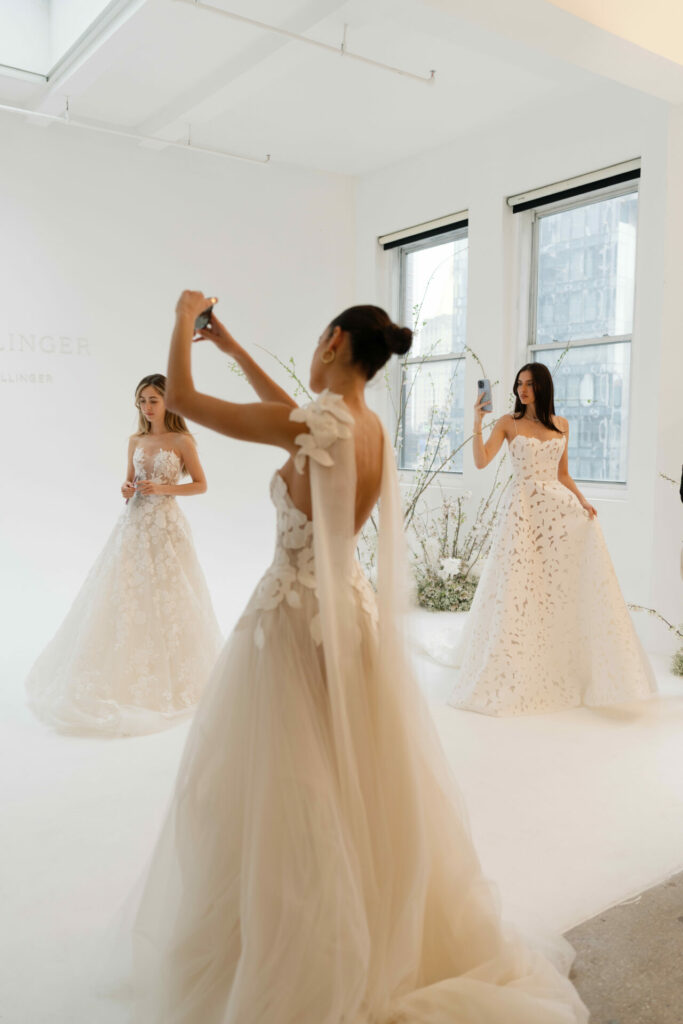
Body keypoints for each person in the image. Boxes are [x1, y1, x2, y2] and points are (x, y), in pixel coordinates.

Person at [125, 296, 588, 1023]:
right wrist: (234, 347)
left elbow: (181, 400)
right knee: (345, 777)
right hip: (347, 611)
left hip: (293, 620)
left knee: (291, 783)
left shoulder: (318, 425)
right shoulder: (361, 424)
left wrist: (182, 318)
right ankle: (355, 924)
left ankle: (302, 944)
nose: (312, 354)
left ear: (335, 342)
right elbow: (292, 415)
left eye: (317, 341)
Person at [432, 361, 656, 716]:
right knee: (520, 584)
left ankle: (559, 652)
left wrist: (582, 502)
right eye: (520, 384)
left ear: (543, 387)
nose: (522, 390)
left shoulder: (563, 425)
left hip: (557, 511)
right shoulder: (508, 422)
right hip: (522, 512)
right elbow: (481, 461)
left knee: (556, 586)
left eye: (530, 384)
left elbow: (563, 474)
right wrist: (477, 421)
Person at [25, 373, 222, 735]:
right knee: (126, 592)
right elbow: (128, 482)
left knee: (170, 593)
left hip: (166, 528)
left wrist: (163, 487)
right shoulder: (134, 440)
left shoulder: (182, 440)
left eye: (153, 400)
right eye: (142, 400)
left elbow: (201, 484)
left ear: (168, 402)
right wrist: (127, 487)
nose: (147, 407)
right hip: (133, 525)